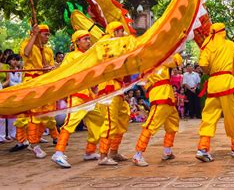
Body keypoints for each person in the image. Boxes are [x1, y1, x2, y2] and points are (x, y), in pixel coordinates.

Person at [195, 23, 234, 162]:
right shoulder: (230, 44)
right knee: (232, 116)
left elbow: (203, 65)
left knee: (209, 117)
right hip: (227, 83)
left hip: (213, 83)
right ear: (222, 32)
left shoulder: (207, 46)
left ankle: (202, 148)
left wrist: (210, 72)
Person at [51, 30, 105, 168]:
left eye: (88, 39)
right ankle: (58, 152)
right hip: (76, 95)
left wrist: (94, 87)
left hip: (89, 96)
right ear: (77, 42)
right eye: (85, 39)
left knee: (98, 121)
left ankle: (90, 151)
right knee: (70, 123)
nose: (88, 41)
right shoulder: (71, 56)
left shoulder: (90, 56)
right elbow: (64, 73)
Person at [96, 21, 136, 166]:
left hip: (118, 88)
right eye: (120, 31)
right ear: (113, 32)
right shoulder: (104, 45)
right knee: (110, 122)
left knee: (123, 118)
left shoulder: (118, 45)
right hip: (108, 88)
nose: (122, 34)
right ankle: (102, 156)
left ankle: (114, 151)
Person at [15, 24, 57, 158]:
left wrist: (50, 68)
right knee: (33, 113)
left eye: (48, 34)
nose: (47, 37)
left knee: (46, 114)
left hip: (45, 84)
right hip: (32, 83)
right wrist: (34, 35)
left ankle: (35, 140)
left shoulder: (48, 50)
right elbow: (26, 53)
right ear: (38, 34)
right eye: (45, 34)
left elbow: (52, 66)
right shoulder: (28, 44)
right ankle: (32, 144)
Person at [132, 54, 182, 167]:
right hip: (161, 95)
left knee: (172, 123)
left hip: (166, 95)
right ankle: (137, 155)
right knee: (151, 124)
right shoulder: (159, 58)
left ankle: (167, 151)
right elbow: (177, 60)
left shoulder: (150, 61)